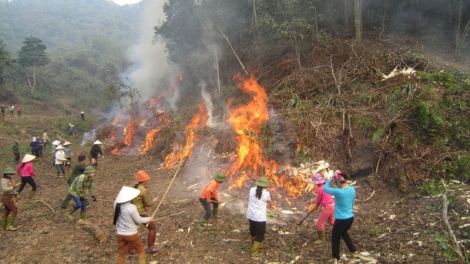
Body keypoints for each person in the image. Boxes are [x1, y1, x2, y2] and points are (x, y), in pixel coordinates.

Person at [323, 170, 359, 264]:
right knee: (344, 233)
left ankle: (335, 257)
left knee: (335, 238)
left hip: (341, 219)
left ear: (338, 181)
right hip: (350, 217)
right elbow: (352, 202)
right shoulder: (352, 189)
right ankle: (353, 251)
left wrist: (330, 180)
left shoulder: (339, 192)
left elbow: (325, 188)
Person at [114, 186, 154, 264]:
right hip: (131, 233)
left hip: (120, 233)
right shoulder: (131, 207)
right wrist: (149, 218)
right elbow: (138, 220)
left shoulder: (116, 204)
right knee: (140, 251)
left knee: (121, 254)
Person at [131, 170, 159, 254]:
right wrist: (153, 201)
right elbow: (148, 203)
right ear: (144, 181)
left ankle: (130, 250)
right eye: (147, 179)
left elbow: (137, 201)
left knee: (132, 229)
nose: (148, 180)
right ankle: (151, 248)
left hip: (132, 211)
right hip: (138, 212)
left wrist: (145, 209)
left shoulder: (136, 186)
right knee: (152, 228)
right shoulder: (143, 190)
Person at [246, 176, 271, 257]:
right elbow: (269, 200)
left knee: (253, 231)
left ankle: (253, 245)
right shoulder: (266, 193)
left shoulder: (252, 189)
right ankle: (254, 253)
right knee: (260, 235)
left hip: (250, 215)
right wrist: (267, 191)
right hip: (260, 218)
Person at [309, 173, 335, 244]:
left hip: (328, 206)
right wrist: (319, 205)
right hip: (332, 205)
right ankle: (341, 232)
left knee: (320, 222)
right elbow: (325, 198)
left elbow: (318, 199)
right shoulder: (325, 187)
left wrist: (316, 205)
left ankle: (322, 239)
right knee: (331, 220)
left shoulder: (320, 189)